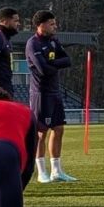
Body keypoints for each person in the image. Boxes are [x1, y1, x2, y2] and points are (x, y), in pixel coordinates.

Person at [25, 10, 77, 183]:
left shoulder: (53, 41)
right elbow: (42, 69)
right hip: (41, 93)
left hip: (55, 91)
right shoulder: (33, 44)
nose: (55, 27)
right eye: (52, 24)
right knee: (41, 132)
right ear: (41, 25)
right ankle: (41, 172)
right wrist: (53, 65)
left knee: (59, 129)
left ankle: (57, 171)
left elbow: (67, 60)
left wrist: (52, 63)